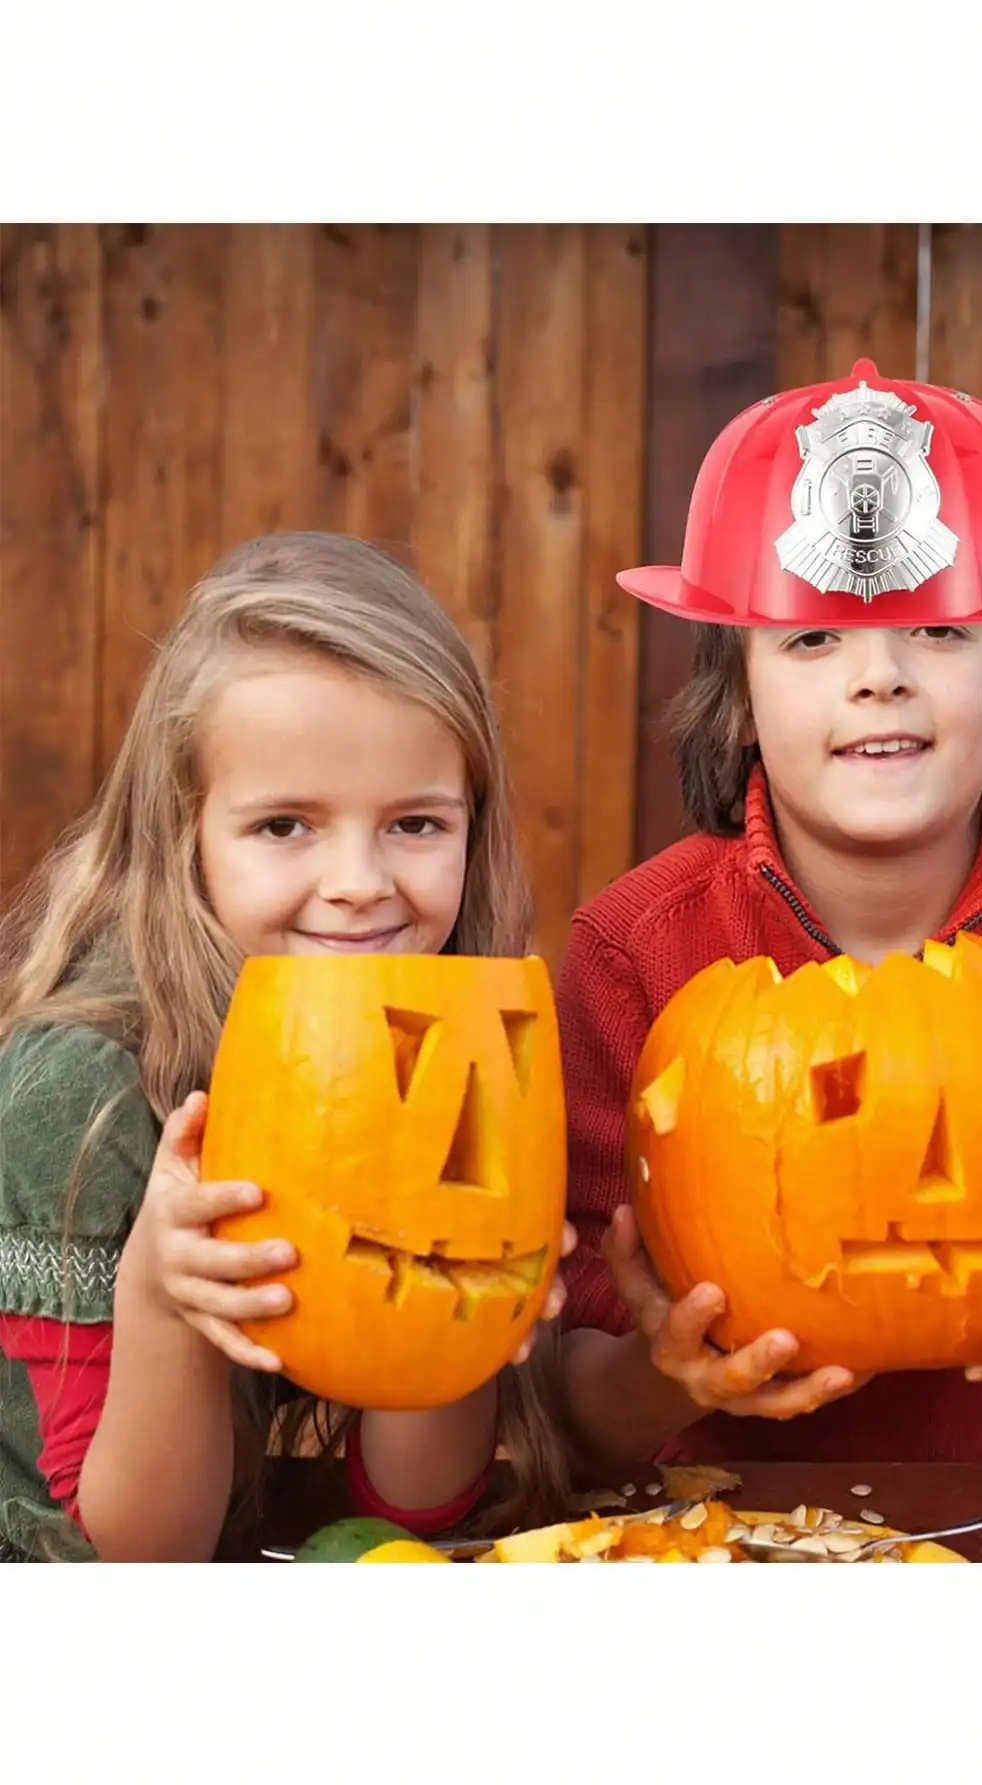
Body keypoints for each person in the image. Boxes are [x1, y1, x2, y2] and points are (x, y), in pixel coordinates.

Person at [557, 360, 982, 1494]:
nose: (878, 677)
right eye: (810, 641)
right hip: (697, 1532)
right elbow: (569, 1410)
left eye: (937, 632)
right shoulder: (631, 953)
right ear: (736, 699)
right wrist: (670, 1375)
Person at [0, 532, 572, 1561]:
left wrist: (459, 1317)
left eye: (415, 824)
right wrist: (162, 1303)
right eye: (283, 827)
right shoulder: (75, 1093)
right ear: (185, 836)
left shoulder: (465, 1052)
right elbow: (130, 1568)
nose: (358, 879)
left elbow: (411, 1508)